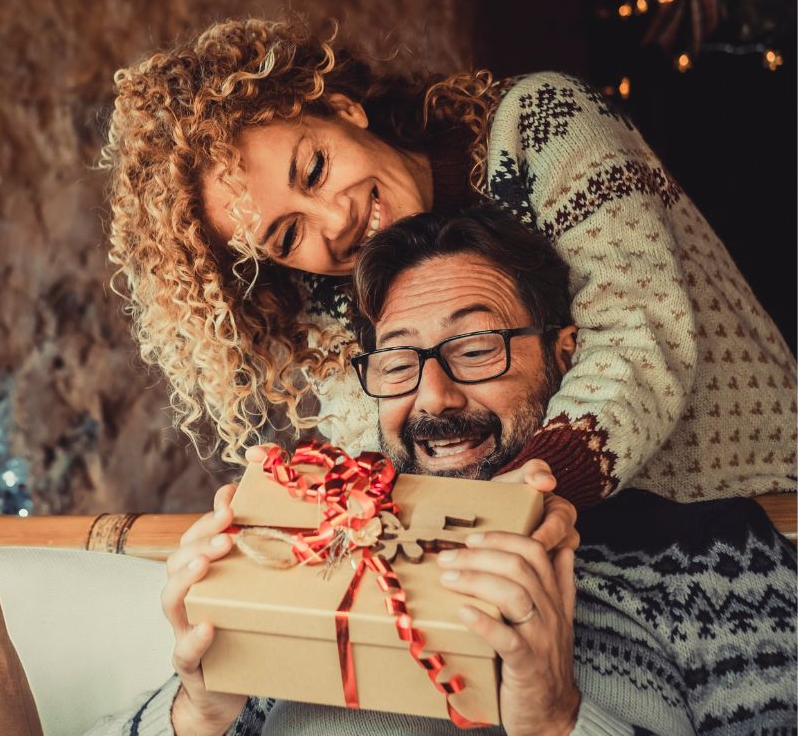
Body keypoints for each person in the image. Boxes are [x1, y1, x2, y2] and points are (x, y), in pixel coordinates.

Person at [88, 207, 797, 736]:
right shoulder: (318, 549)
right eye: (398, 363)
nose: (434, 399)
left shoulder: (712, 556)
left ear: (565, 354)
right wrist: (198, 710)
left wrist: (557, 717)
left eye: (478, 347)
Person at [99, 17, 796, 510]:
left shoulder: (540, 126)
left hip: (754, 499)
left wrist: (521, 501)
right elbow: (377, 451)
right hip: (595, 568)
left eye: (313, 168)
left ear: (341, 107)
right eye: (286, 235)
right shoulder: (335, 303)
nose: (334, 220)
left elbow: (638, 328)